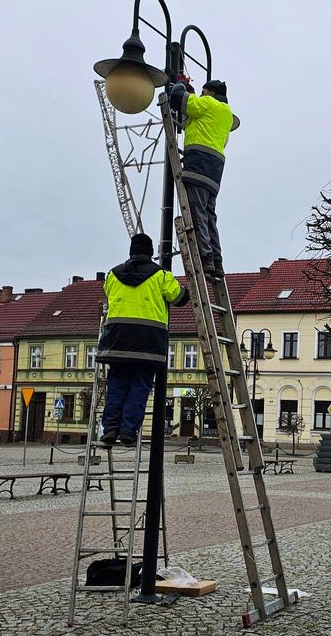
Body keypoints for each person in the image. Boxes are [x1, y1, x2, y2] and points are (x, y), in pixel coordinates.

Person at [96, 233, 189, 447]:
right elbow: (178, 298)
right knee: (139, 387)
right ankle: (129, 430)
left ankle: (110, 428)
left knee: (117, 385)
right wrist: (187, 291)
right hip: (148, 344)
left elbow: (109, 295)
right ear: (151, 253)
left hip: (117, 342)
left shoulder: (112, 274)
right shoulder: (161, 275)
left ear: (130, 251)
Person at [170, 77, 236, 278]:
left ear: (212, 93)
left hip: (199, 161)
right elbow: (191, 119)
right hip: (215, 169)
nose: (201, 94)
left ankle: (205, 259)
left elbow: (177, 99)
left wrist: (181, 84)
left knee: (197, 210)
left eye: (204, 91)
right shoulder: (227, 115)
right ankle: (217, 261)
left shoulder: (208, 104)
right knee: (209, 215)